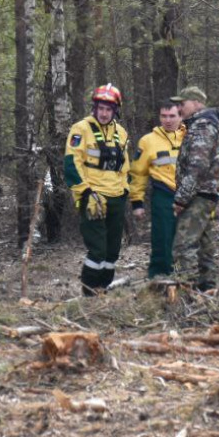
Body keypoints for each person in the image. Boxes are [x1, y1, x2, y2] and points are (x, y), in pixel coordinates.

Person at [64, 83, 131, 296]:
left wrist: (125, 191)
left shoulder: (121, 133)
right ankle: (89, 292)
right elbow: (71, 163)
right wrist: (85, 192)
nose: (104, 113)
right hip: (92, 197)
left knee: (112, 251)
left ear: (115, 110)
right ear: (95, 108)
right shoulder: (80, 129)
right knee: (98, 249)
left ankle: (103, 289)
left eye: (108, 109)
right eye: (101, 108)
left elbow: (125, 167)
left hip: (116, 197)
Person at [170, 86, 219, 293]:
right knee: (205, 245)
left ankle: (186, 291)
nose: (179, 108)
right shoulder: (202, 124)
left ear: (195, 103)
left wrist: (181, 198)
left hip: (199, 196)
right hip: (204, 194)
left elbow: (197, 166)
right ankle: (207, 290)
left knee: (183, 245)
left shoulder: (202, 126)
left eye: (182, 104)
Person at [129, 101, 186, 279]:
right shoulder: (148, 141)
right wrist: (137, 203)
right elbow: (138, 173)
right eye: (164, 116)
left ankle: (185, 277)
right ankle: (159, 278)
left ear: (181, 116)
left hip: (189, 195)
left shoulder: (191, 136)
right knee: (162, 238)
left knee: (188, 239)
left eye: (172, 116)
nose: (167, 120)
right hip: (164, 194)